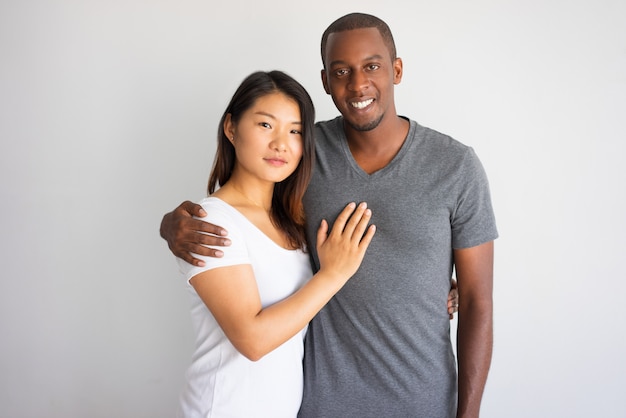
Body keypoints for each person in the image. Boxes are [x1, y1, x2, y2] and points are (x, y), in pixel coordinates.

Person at [162, 13, 497, 418]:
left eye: (372, 66)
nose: (358, 84)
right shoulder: (303, 153)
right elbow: (245, 207)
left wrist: (470, 413)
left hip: (423, 400)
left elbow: (478, 301)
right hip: (320, 403)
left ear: (396, 69)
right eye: (341, 71)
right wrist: (171, 224)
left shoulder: (455, 165)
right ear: (325, 81)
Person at [175, 70, 376, 418]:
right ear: (231, 128)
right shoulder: (211, 221)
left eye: (295, 131)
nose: (281, 143)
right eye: (266, 125)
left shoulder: (292, 220)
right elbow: (252, 341)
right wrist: (332, 275)